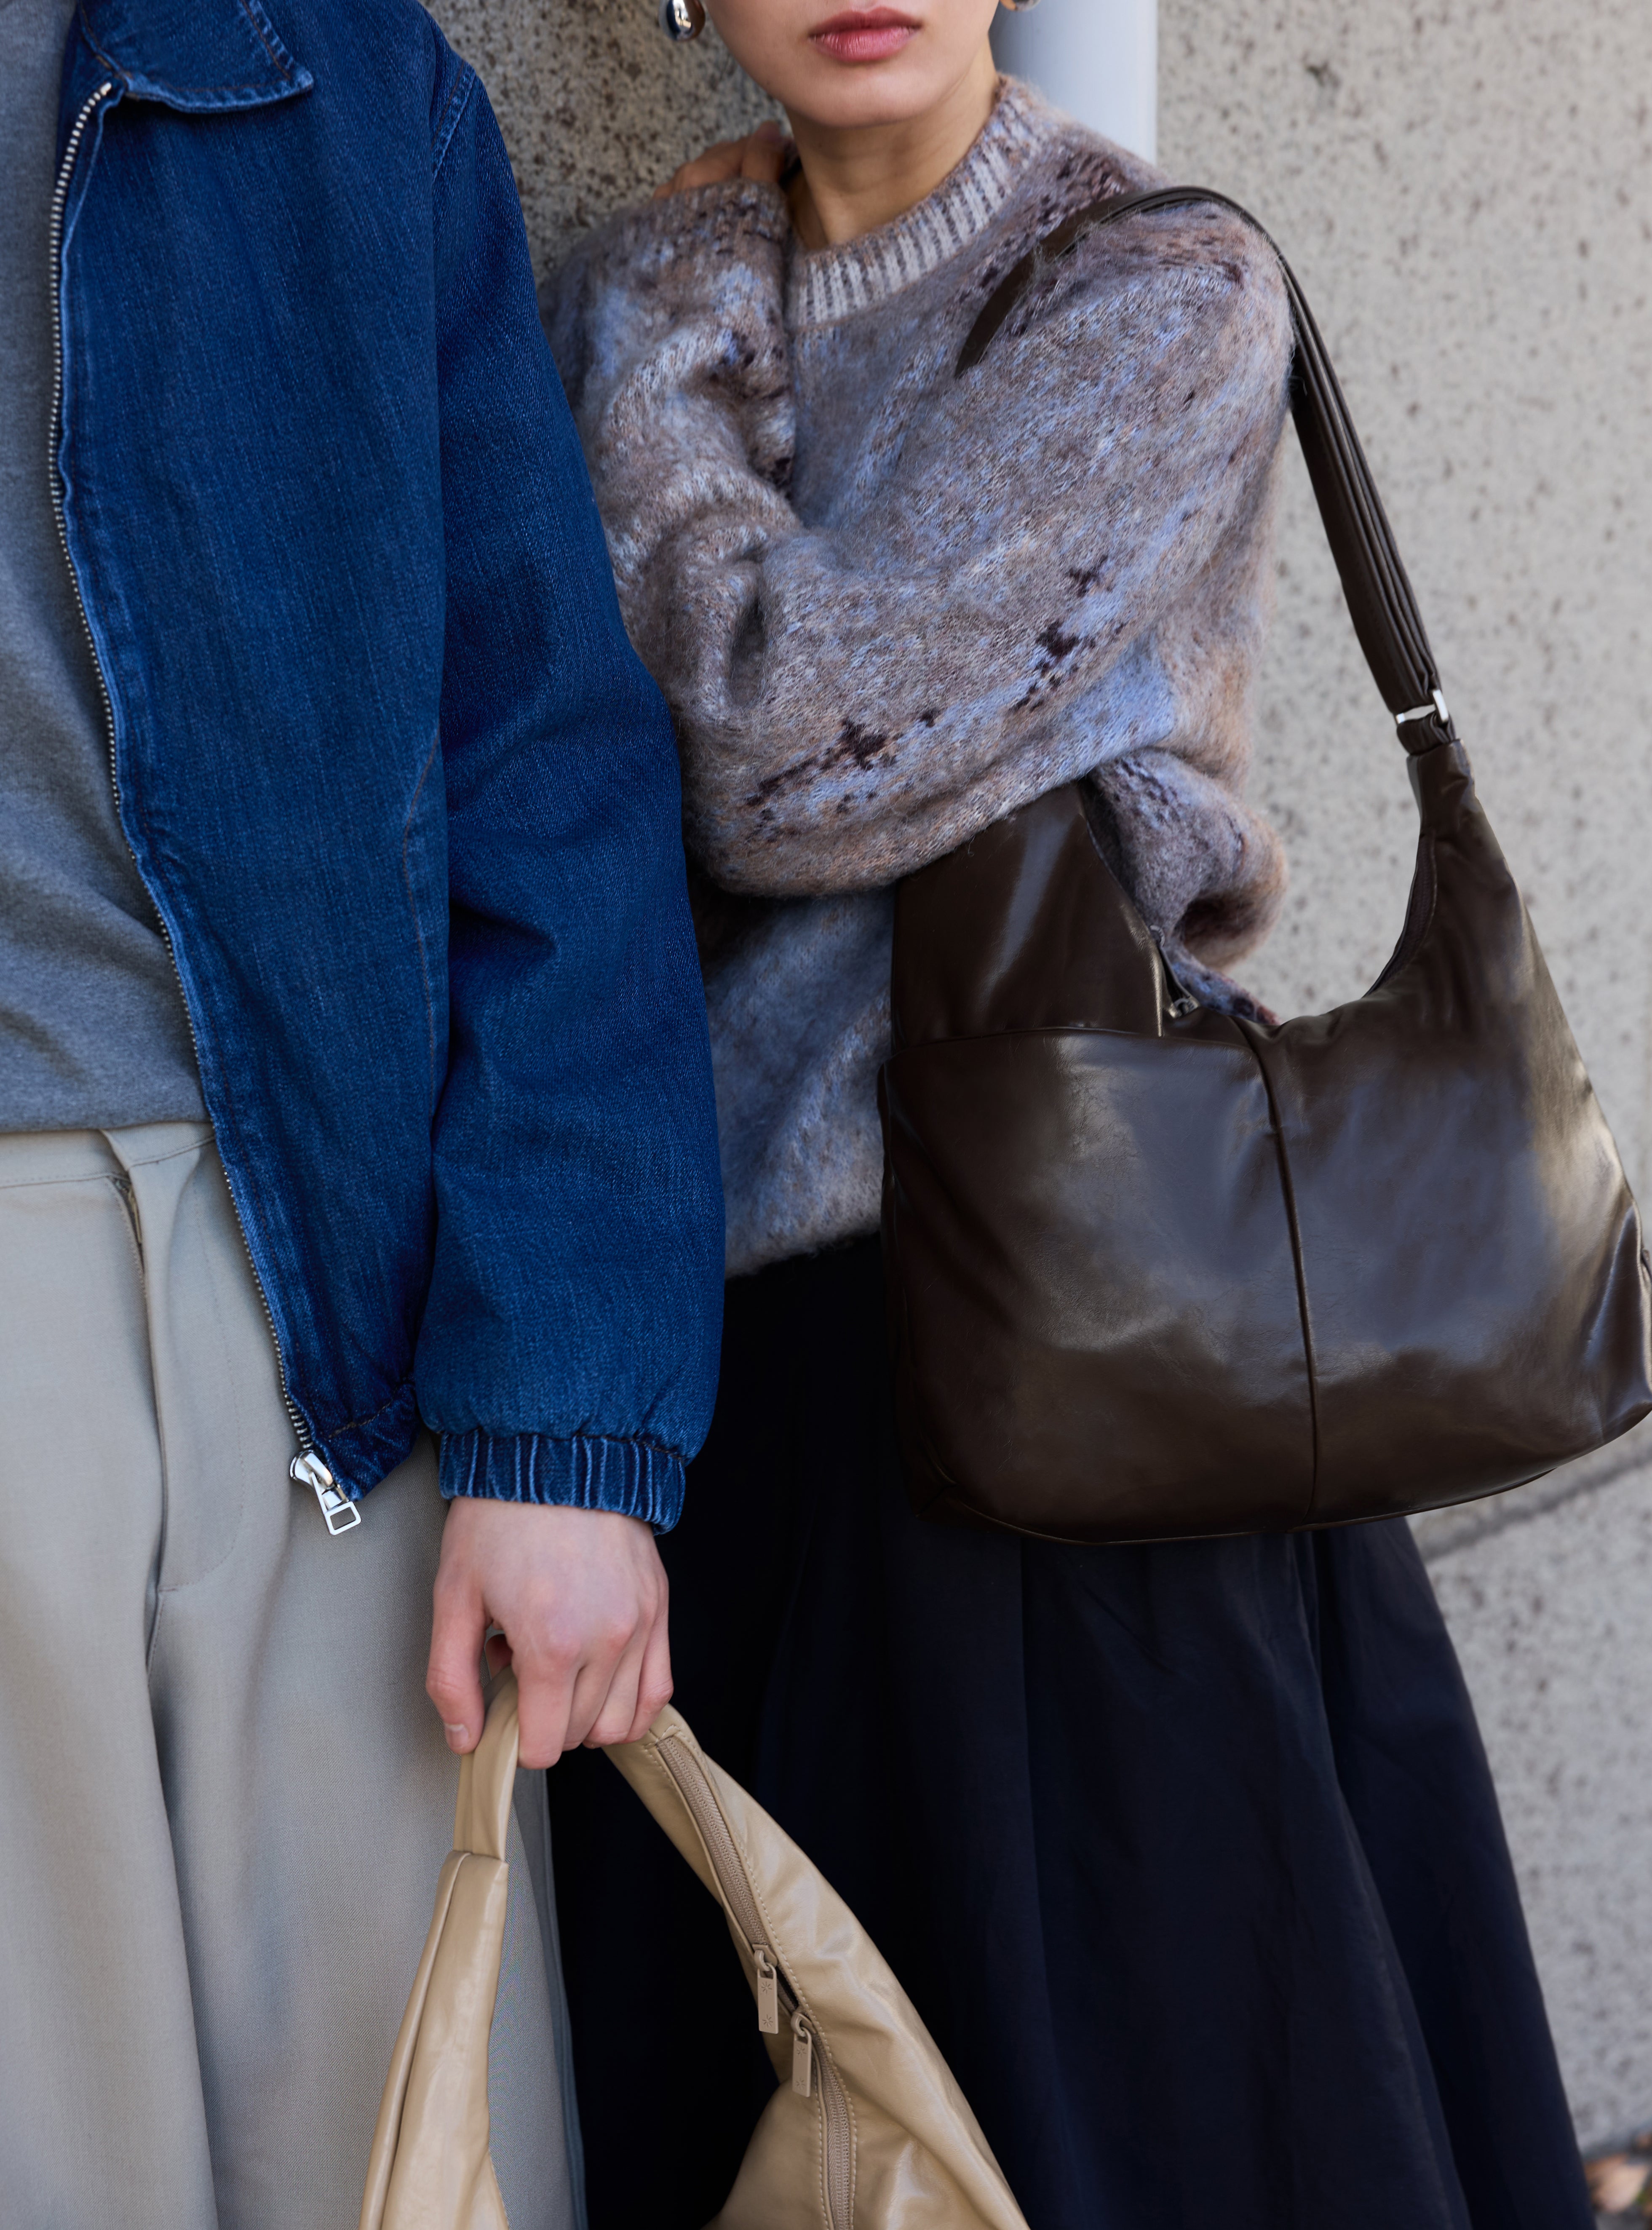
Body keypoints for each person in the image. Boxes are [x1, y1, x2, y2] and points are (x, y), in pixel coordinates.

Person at [540, 4, 1595, 2227]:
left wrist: (659, 346)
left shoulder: (1159, 292)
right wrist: (675, 304)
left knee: (1144, 2121)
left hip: (1074, 1360)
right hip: (720, 1389)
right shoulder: (644, 287)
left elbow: (774, 740)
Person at [0, 1, 724, 2225]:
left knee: (399, 2170)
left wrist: (559, 1425)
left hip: (330, 1270)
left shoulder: (326, 74)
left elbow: (541, 761)